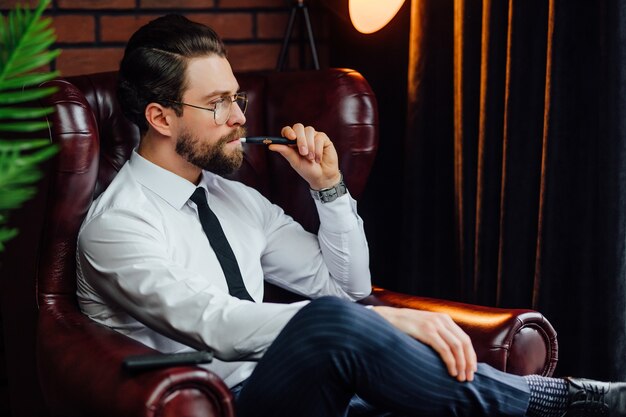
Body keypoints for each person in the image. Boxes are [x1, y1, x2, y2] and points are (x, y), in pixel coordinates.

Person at [76, 14, 626, 417]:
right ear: (160, 117)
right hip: (226, 402)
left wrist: (329, 190)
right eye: (218, 103)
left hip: (302, 387)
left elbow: (348, 287)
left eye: (237, 98)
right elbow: (217, 325)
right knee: (330, 324)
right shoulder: (118, 226)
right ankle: (562, 404)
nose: (239, 117)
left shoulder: (231, 196)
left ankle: (557, 403)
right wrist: (385, 320)